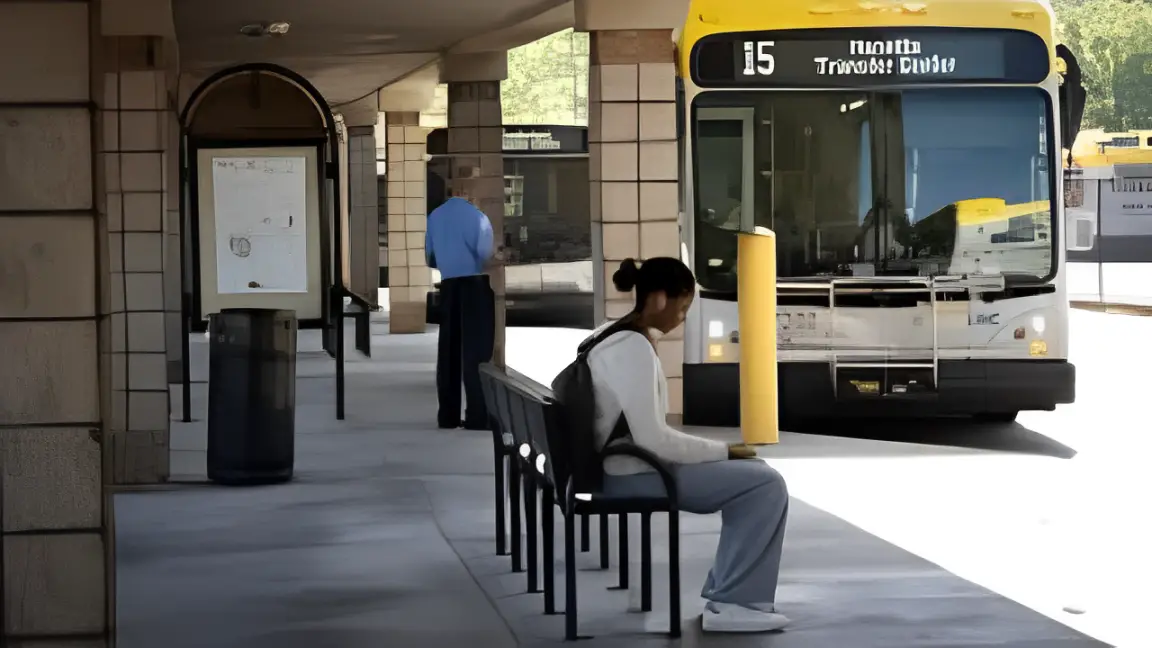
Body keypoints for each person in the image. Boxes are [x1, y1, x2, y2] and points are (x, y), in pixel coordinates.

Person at [587, 256, 791, 633]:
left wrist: (729, 454)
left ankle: (729, 595)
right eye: (683, 308)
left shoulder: (608, 334)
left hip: (622, 466)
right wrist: (725, 450)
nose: (682, 318)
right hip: (633, 474)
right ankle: (734, 604)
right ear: (661, 299)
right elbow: (654, 438)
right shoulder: (632, 349)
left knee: (758, 475)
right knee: (765, 484)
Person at [425, 190, 496, 430]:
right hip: (475, 285)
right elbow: (485, 253)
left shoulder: (434, 216)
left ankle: (448, 415)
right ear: (469, 197)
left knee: (448, 351)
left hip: (448, 286)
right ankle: (477, 415)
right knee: (476, 353)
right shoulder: (478, 217)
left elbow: (430, 257)